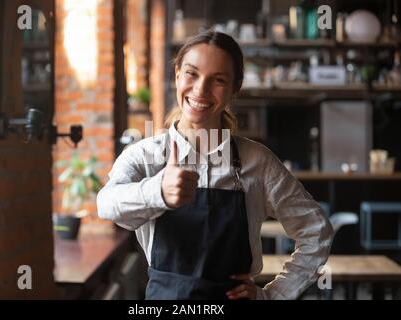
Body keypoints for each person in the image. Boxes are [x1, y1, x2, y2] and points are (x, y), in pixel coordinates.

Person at [97, 30, 333, 300]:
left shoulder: (257, 161)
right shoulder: (144, 156)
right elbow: (107, 205)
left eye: (218, 80)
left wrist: (273, 295)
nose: (200, 89)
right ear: (176, 74)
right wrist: (158, 192)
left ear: (235, 88)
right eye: (191, 73)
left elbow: (317, 230)